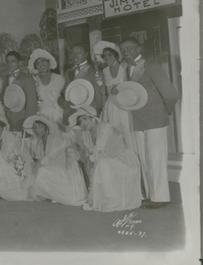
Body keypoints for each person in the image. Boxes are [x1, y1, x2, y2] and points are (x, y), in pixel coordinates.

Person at [119, 36, 179, 209]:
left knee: (156, 158)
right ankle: (149, 195)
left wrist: (164, 111)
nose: (126, 52)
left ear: (139, 49)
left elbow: (171, 94)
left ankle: (160, 197)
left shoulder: (151, 66)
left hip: (155, 119)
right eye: (123, 50)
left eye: (130, 48)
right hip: (137, 119)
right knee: (144, 158)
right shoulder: (127, 69)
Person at [68, 106, 141, 212]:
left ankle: (112, 200)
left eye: (85, 119)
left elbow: (112, 152)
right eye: (80, 121)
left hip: (123, 161)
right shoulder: (86, 134)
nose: (82, 123)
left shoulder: (108, 129)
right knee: (98, 164)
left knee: (102, 165)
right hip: (107, 161)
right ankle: (100, 197)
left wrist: (92, 159)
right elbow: (89, 157)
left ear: (93, 118)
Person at [26, 114, 87, 206]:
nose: (37, 130)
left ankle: (57, 194)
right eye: (35, 127)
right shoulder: (39, 141)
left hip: (66, 172)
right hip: (56, 170)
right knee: (35, 171)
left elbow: (54, 156)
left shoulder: (55, 139)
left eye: (40, 127)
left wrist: (40, 163)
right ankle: (51, 194)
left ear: (46, 128)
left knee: (41, 171)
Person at [96, 42, 135, 152]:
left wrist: (121, 87)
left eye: (110, 54)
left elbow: (132, 86)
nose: (107, 58)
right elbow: (106, 90)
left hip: (124, 105)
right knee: (114, 134)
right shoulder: (105, 71)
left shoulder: (125, 67)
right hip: (111, 105)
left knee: (127, 133)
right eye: (104, 56)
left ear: (116, 55)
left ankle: (133, 163)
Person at [60, 44, 105, 125]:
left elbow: (100, 98)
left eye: (79, 53)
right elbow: (64, 92)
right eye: (72, 53)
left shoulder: (94, 70)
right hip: (72, 113)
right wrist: (63, 101)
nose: (75, 55)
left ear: (86, 54)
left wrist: (97, 115)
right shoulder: (68, 72)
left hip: (89, 113)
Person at [1, 51, 37, 132]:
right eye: (8, 61)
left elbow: (32, 104)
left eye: (13, 61)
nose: (10, 64)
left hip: (22, 120)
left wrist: (28, 124)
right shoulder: (6, 79)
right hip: (8, 121)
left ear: (19, 63)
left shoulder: (27, 79)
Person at [28, 49, 64, 125]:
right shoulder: (33, 81)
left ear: (48, 62)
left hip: (60, 116)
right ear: (35, 67)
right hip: (41, 118)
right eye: (37, 63)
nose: (41, 64)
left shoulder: (60, 79)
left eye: (43, 61)